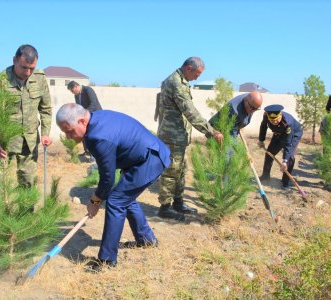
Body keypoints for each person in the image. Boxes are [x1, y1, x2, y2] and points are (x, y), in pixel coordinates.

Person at [56, 103, 170, 272]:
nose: (68, 137)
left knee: (116, 201)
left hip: (149, 159)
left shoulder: (98, 137)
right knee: (124, 197)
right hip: (141, 157)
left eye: (70, 131)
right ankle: (146, 240)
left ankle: (107, 260)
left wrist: (95, 201)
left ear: (82, 121)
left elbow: (107, 178)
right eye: (65, 132)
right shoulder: (95, 119)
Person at [157, 57, 223, 220]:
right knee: (171, 171)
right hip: (172, 135)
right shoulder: (176, 83)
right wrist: (210, 132)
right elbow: (189, 111)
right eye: (197, 74)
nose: (198, 77)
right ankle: (165, 207)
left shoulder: (181, 80)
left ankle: (178, 203)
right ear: (188, 68)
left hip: (179, 135)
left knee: (180, 170)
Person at [0, 44, 52, 188]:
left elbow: (46, 109)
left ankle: (27, 211)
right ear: (15, 60)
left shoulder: (40, 79)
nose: (28, 72)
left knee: (28, 183)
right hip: (4, 141)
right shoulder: (0, 79)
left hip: (29, 141)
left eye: (32, 68)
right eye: (24, 67)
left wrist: (45, 133)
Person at [258, 105, 303, 190]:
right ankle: (265, 176)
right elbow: (263, 126)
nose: (274, 122)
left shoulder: (288, 123)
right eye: (272, 120)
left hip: (294, 134)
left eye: (276, 120)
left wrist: (284, 161)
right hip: (278, 133)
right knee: (269, 153)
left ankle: (285, 182)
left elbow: (288, 144)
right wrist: (261, 140)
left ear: (281, 115)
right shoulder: (266, 116)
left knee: (290, 158)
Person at [67, 80, 102, 162]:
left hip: (95, 116)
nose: (72, 93)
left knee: (93, 136)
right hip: (86, 117)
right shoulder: (76, 96)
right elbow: (79, 108)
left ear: (76, 86)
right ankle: (87, 152)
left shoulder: (88, 90)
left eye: (72, 90)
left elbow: (93, 104)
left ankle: (95, 156)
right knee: (83, 134)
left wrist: (84, 114)